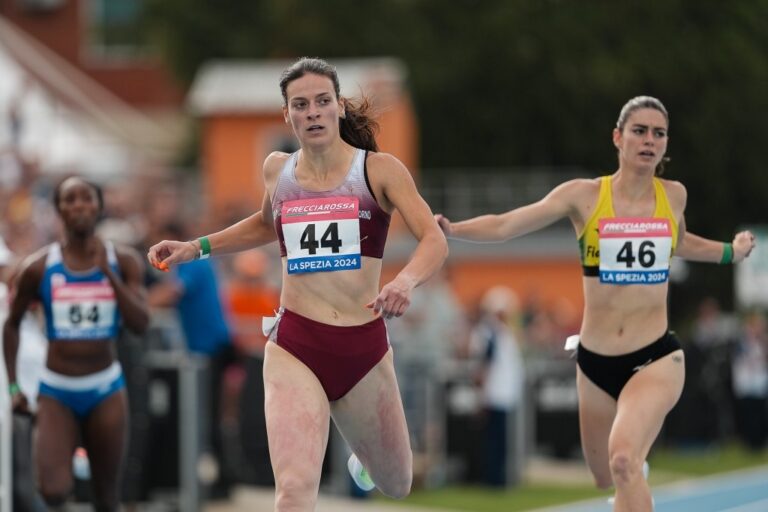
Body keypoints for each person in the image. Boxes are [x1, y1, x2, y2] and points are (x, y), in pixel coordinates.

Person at [147, 57, 448, 510]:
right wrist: (197, 247)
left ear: (339, 108)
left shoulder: (379, 171)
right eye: (300, 105)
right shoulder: (278, 171)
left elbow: (433, 239)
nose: (312, 112)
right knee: (293, 491)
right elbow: (266, 225)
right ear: (287, 115)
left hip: (362, 347)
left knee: (397, 481)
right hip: (295, 345)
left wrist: (405, 282)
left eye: (322, 102)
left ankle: (361, 455)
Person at [436, 96, 755, 511]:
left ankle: (632, 468)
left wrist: (731, 251)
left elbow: (679, 242)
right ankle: (631, 476)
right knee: (604, 473)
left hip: (656, 357)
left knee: (622, 460)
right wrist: (454, 229)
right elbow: (509, 223)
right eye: (639, 131)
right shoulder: (584, 197)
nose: (649, 140)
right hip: (595, 361)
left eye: (658, 133)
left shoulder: (673, 196)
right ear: (618, 138)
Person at [3, 176, 149, 512]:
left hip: (105, 387)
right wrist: (13, 387)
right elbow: (11, 326)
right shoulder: (39, 267)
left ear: (99, 206)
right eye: (70, 200)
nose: (79, 205)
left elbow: (140, 324)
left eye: (86, 198)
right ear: (58, 210)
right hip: (56, 389)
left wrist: (107, 276)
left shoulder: (123, 261)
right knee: (53, 490)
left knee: (106, 496)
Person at [147, 221, 237, 498]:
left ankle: (224, 481)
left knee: (208, 416)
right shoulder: (191, 266)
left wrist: (136, 304)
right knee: (208, 415)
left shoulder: (193, 264)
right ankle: (222, 479)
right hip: (208, 349)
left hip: (213, 349)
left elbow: (170, 295)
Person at [469, 286, 524, 487]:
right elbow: (484, 365)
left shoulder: (501, 331)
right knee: (493, 440)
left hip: (502, 393)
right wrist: (481, 395)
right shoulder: (489, 332)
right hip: (494, 393)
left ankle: (498, 477)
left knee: (499, 440)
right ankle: (492, 479)